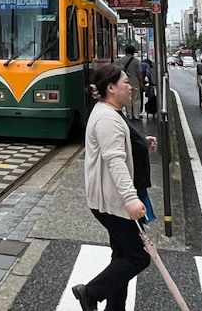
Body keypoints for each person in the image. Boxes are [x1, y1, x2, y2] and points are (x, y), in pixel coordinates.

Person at [71, 63, 157, 311]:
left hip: (113, 200)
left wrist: (141, 142)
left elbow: (121, 146)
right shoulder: (107, 118)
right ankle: (90, 293)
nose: (130, 86)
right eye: (125, 82)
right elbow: (115, 161)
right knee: (137, 257)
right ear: (111, 87)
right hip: (115, 202)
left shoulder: (109, 111)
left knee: (121, 254)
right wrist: (131, 199)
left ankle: (115, 308)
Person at [116, 44, 144, 121]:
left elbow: (117, 72)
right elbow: (139, 73)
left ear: (125, 52)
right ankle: (136, 115)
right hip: (135, 81)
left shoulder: (119, 61)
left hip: (124, 82)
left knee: (127, 99)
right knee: (136, 99)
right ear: (133, 52)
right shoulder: (136, 61)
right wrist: (141, 83)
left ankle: (129, 115)